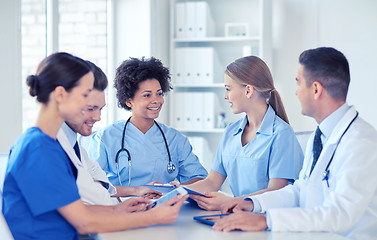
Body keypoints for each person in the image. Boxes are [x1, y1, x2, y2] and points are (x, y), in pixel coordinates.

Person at [2, 52, 188, 240]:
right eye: (84, 96)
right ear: (60, 95)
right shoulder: (38, 149)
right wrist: (153, 217)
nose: (93, 112)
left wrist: (118, 209)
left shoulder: (49, 145)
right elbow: (83, 222)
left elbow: (73, 209)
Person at [215, 47, 377, 240]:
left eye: (299, 83)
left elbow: (340, 214)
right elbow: (301, 190)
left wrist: (267, 221)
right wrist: (252, 203)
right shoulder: (320, 135)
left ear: (315, 89)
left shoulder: (361, 141)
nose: (296, 92)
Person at [186, 56, 304, 211]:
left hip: (268, 222)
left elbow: (276, 193)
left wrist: (230, 202)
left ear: (248, 90)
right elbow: (211, 182)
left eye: (228, 89)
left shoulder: (282, 135)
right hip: (235, 216)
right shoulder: (231, 132)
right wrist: (177, 192)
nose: (225, 96)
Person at [87, 57, 208, 186]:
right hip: (121, 204)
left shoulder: (175, 139)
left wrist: (176, 188)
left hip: (165, 204)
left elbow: (200, 179)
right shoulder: (106, 137)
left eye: (159, 94)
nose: (156, 100)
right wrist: (137, 191)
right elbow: (93, 184)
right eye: (147, 95)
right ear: (129, 101)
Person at [57, 60, 161, 206]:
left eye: (100, 109)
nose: (98, 118)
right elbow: (83, 213)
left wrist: (138, 191)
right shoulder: (46, 150)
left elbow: (103, 189)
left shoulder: (76, 148)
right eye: (90, 108)